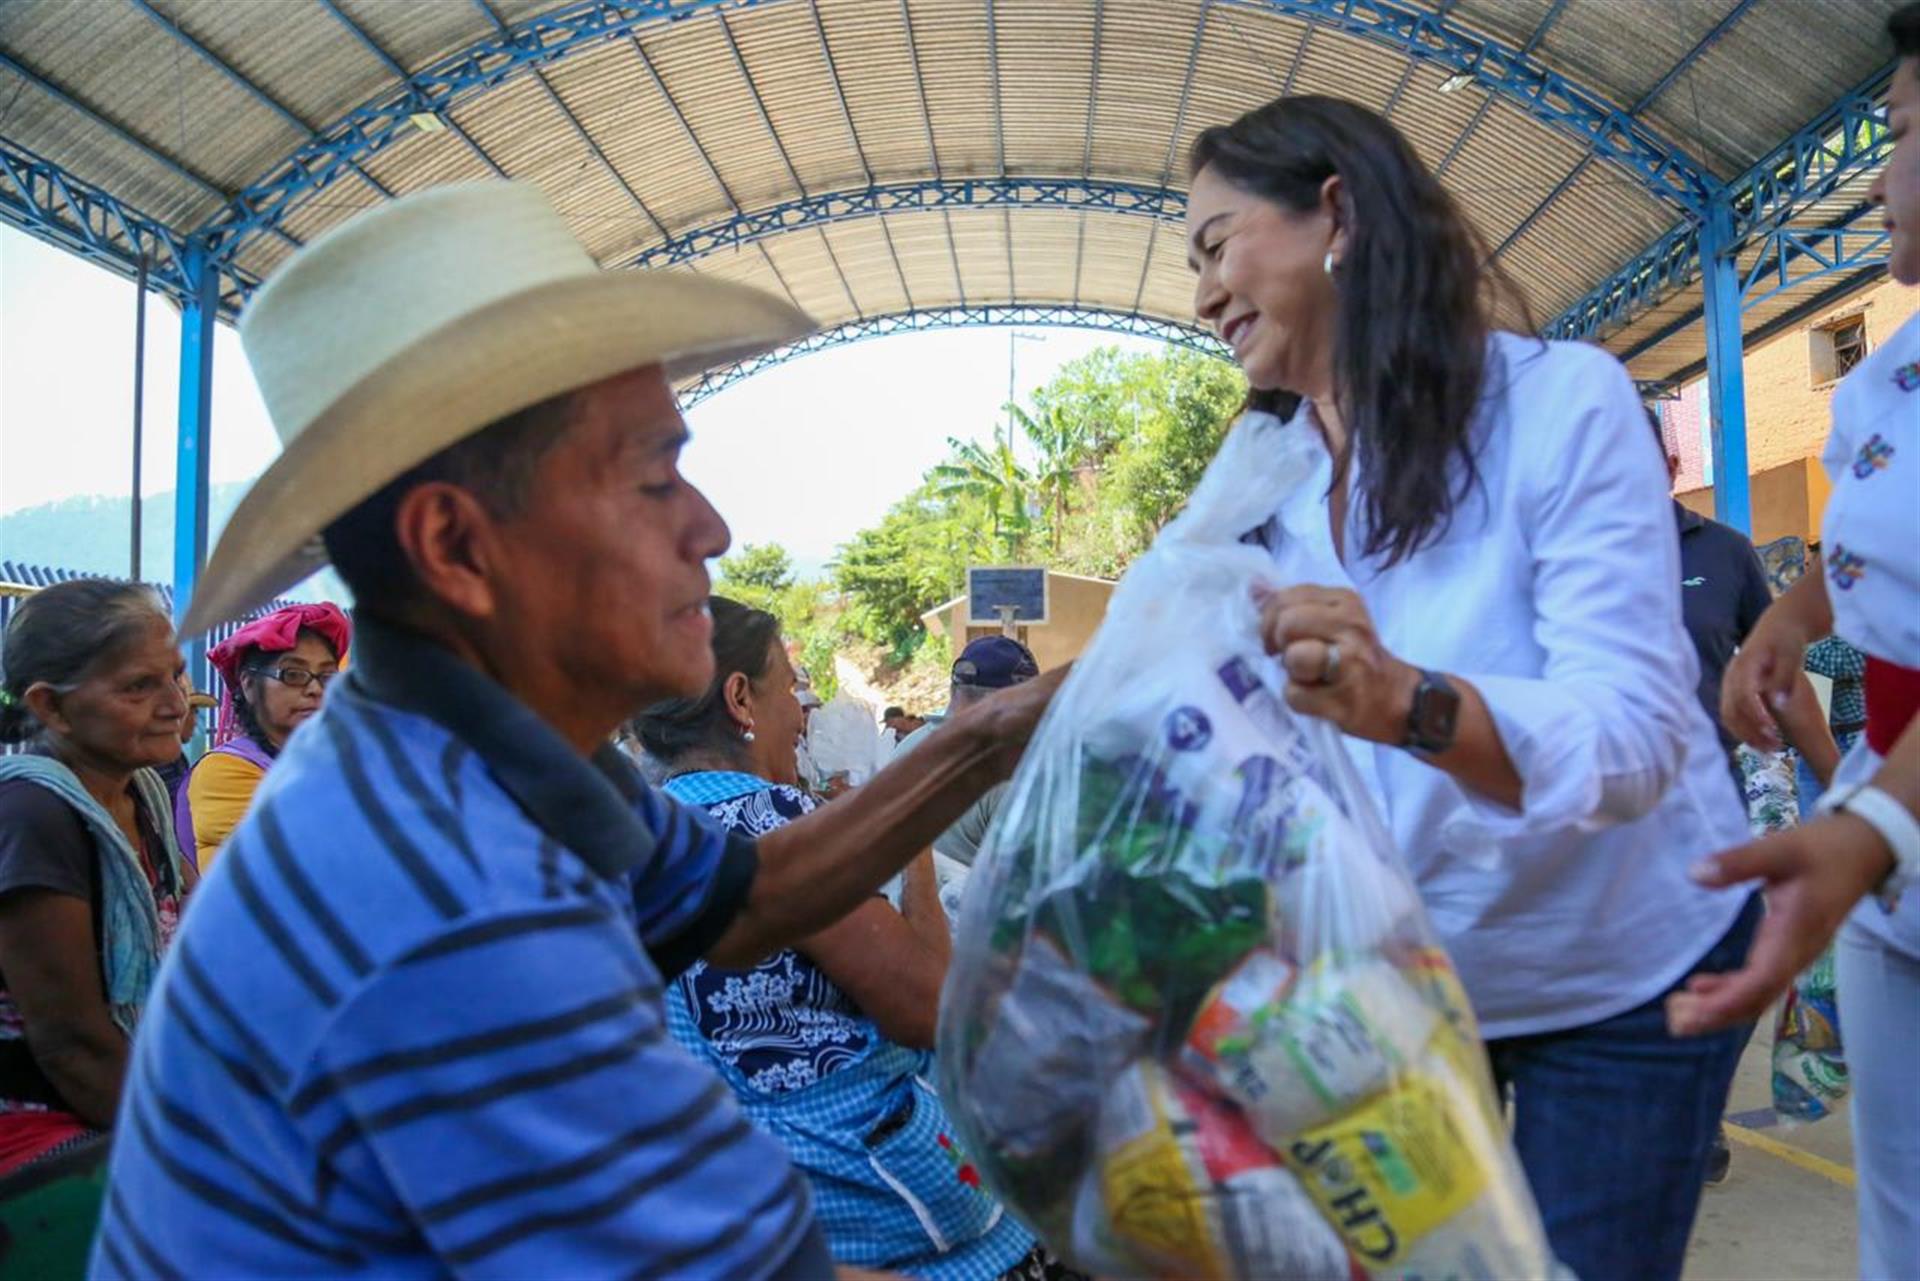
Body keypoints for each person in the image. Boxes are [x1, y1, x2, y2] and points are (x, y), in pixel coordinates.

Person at [91, 181, 1060, 1279]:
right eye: (655, 480)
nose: (712, 528)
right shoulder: (448, 901)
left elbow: (743, 902)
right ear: (456, 546)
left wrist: (1002, 730)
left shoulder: (463, 750)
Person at [1186, 96, 1758, 1281]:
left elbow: (1638, 736)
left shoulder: (1560, 402)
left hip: (1624, 975)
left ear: (1334, 213)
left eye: (1216, 243)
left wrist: (1407, 702)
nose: (1201, 296)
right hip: (1406, 992)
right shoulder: (1263, 489)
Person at [1670, 11, 1920, 1275]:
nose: (1883, 173)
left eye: (1911, 136)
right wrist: (1787, 617)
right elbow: (1865, 540)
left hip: (1888, 808)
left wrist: (1867, 815)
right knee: (1904, 1214)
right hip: (1887, 814)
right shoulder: (1890, 374)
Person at [639, 598, 1052, 1280]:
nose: (803, 714)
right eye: (790, 691)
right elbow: (929, 1008)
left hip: (759, 1220)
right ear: (740, 698)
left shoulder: (632, 835)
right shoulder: (766, 821)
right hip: (894, 1221)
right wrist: (907, 840)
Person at [0, 580, 196, 1177]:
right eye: (139, 686)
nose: (176, 704)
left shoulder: (143, 799)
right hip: (35, 1114)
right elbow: (72, 1045)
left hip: (112, 1085)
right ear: (50, 707)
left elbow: (200, 941)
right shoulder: (33, 816)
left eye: (176, 676)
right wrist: (195, 1148)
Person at [184, 603, 350, 867]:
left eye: (327, 676)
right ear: (249, 686)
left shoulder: (329, 762)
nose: (315, 689)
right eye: (294, 674)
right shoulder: (225, 770)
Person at [896, 637, 1042, 917]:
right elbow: (1023, 889)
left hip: (898, 929)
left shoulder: (907, 748)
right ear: (1015, 704)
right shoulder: (1003, 770)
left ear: (953, 689)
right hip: (966, 941)